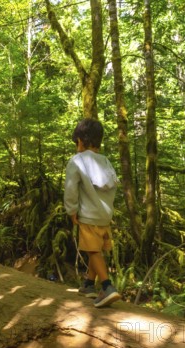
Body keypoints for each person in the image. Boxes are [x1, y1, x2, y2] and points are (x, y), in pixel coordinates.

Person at [64, 118, 121, 308]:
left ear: (80, 140)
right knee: (95, 248)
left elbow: (71, 189)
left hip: (88, 215)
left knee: (92, 250)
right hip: (105, 216)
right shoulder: (105, 161)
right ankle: (88, 284)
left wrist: (71, 211)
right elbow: (113, 187)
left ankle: (107, 287)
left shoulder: (77, 161)